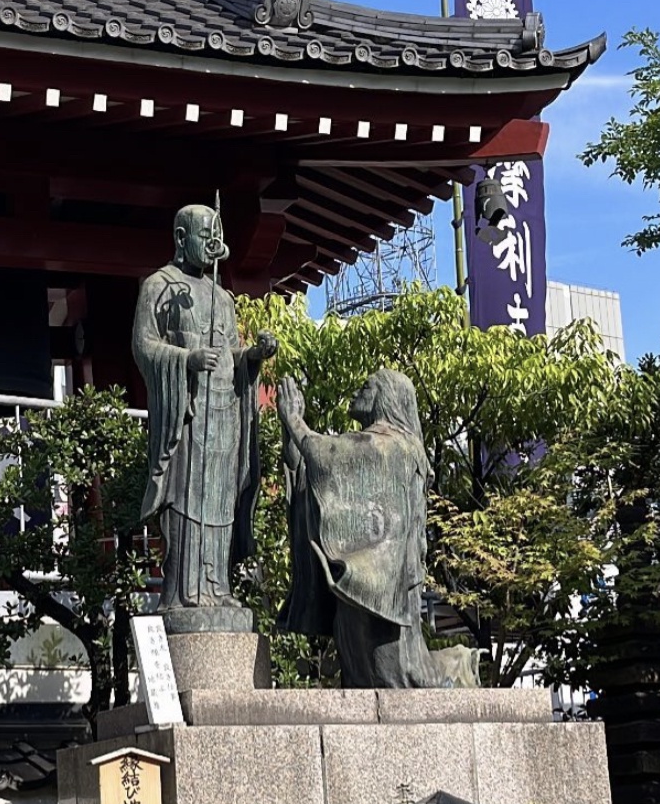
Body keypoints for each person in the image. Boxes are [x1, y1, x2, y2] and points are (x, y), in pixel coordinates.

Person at [132, 204, 276, 630]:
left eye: (218, 233)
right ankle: (182, 591)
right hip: (188, 413)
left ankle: (218, 586)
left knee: (220, 503)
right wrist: (187, 358)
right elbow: (144, 346)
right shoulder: (159, 286)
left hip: (225, 413)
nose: (214, 244)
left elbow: (230, 354)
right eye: (205, 234)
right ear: (181, 238)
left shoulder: (223, 297)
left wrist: (251, 356)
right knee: (186, 500)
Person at [277, 366, 446, 688]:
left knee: (387, 676)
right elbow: (314, 480)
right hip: (362, 588)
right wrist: (291, 435)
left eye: (367, 387)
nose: (357, 391)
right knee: (359, 672)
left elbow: (330, 458)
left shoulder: (395, 446)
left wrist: (295, 421)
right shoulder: (381, 445)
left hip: (382, 593)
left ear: (387, 398)